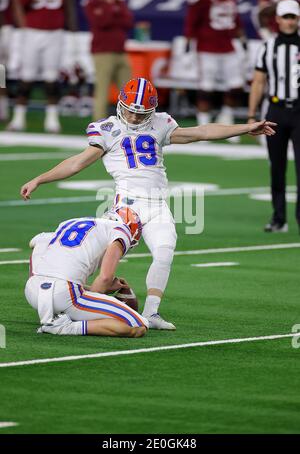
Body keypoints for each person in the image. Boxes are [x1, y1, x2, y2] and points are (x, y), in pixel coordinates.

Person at [20, 77, 276, 330]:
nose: (133, 118)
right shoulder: (107, 129)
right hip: (127, 205)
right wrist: (40, 179)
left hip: (157, 204)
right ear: (121, 104)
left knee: (165, 251)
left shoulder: (161, 123)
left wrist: (245, 127)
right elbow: (78, 162)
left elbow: (201, 132)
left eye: (140, 114)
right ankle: (77, 303)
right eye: (130, 112)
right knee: (100, 259)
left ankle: (151, 313)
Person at [25, 206, 148, 337]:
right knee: (139, 325)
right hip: (65, 294)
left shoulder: (71, 222)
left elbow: (38, 241)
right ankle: (66, 327)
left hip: (32, 291)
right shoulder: (121, 231)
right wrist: (97, 297)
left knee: (65, 289)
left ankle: (60, 314)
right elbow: (105, 277)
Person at [248, 0, 300, 233]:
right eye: (286, 17)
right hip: (276, 110)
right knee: (276, 167)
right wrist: (251, 115)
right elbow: (259, 81)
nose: (290, 21)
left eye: (293, 17)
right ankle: (279, 217)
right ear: (277, 19)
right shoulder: (268, 47)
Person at [7, 0, 76, 133]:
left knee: (51, 77)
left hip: (55, 33)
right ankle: (18, 118)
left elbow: (68, 5)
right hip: (32, 32)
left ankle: (52, 119)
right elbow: (19, 1)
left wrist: (72, 32)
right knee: (27, 76)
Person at [184, 0, 246, 139]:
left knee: (236, 84)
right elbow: (192, 20)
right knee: (206, 87)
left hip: (228, 46)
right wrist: (188, 41)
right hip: (207, 47)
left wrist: (241, 36)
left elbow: (236, 19)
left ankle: (226, 117)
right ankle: (203, 126)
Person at [84, 0, 133, 120]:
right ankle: (98, 125)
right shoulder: (92, 4)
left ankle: (132, 123)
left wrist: (112, 10)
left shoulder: (119, 2)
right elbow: (102, 22)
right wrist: (110, 5)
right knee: (102, 91)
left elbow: (128, 22)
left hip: (121, 51)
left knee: (129, 91)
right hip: (102, 52)